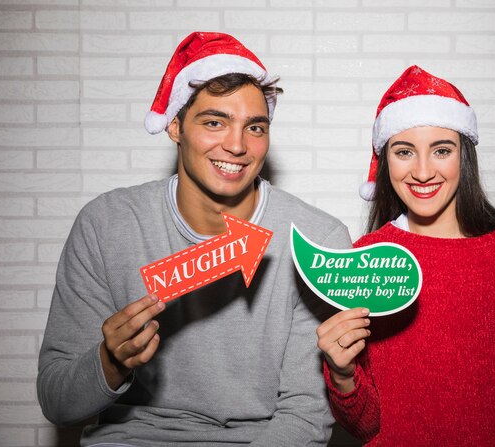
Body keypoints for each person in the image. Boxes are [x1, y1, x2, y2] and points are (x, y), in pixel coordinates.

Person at [37, 32, 352, 446]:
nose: (237, 145)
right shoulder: (106, 225)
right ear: (174, 126)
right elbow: (58, 403)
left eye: (254, 127)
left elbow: (305, 414)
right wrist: (109, 362)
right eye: (214, 122)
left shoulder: (317, 239)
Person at [316, 65, 495, 446]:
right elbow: (368, 426)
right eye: (404, 152)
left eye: (441, 150)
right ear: (386, 162)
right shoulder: (367, 259)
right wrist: (342, 375)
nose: (423, 172)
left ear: (464, 156)